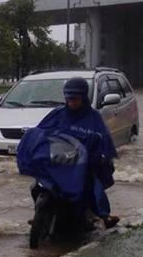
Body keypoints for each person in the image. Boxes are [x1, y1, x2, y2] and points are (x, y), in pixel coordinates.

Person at [36, 77, 119, 228]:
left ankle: (103, 215)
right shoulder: (57, 114)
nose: (72, 102)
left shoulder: (93, 117)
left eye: (75, 98)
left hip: (84, 163)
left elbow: (104, 138)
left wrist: (101, 155)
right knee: (39, 183)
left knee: (94, 184)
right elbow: (41, 131)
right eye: (69, 98)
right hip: (60, 161)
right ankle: (40, 213)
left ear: (83, 97)